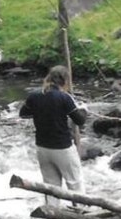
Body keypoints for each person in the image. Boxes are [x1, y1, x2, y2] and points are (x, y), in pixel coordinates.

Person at [20, 65, 87, 205]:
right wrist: (82, 109)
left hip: (42, 147)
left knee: (51, 185)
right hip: (62, 147)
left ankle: (53, 214)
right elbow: (79, 120)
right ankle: (80, 210)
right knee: (74, 182)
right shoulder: (64, 97)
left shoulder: (35, 95)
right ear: (65, 81)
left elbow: (23, 113)